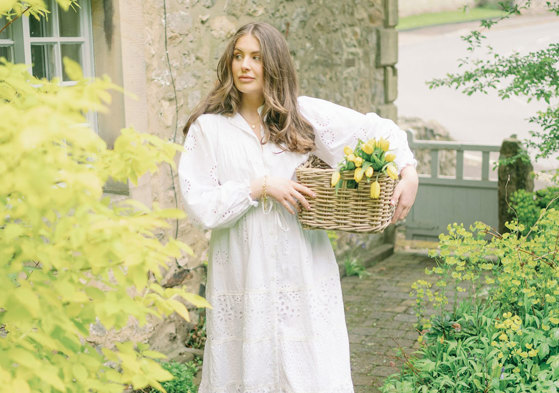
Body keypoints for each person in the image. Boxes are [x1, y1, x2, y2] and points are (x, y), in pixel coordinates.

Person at [178, 22, 418, 393]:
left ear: (274, 64)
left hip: (302, 266)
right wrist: (258, 187)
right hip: (243, 267)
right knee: (246, 366)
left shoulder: (301, 115)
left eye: (256, 58)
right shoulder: (209, 129)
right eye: (238, 56)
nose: (245, 66)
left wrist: (409, 170)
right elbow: (202, 204)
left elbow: (378, 131)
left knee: (310, 366)